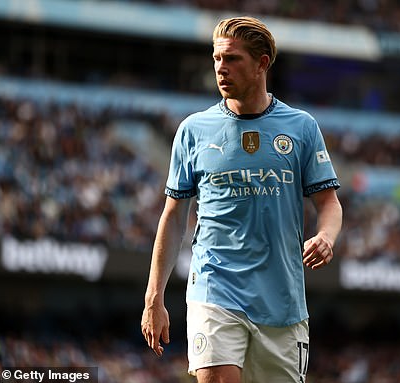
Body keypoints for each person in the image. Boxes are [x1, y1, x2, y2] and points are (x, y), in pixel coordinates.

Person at [141, 16, 342, 383]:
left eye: (232, 59)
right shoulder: (193, 130)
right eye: (216, 58)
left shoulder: (301, 127)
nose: (221, 68)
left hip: (282, 303)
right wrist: (154, 296)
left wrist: (326, 236)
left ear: (262, 63)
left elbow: (328, 203)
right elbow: (173, 216)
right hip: (214, 288)